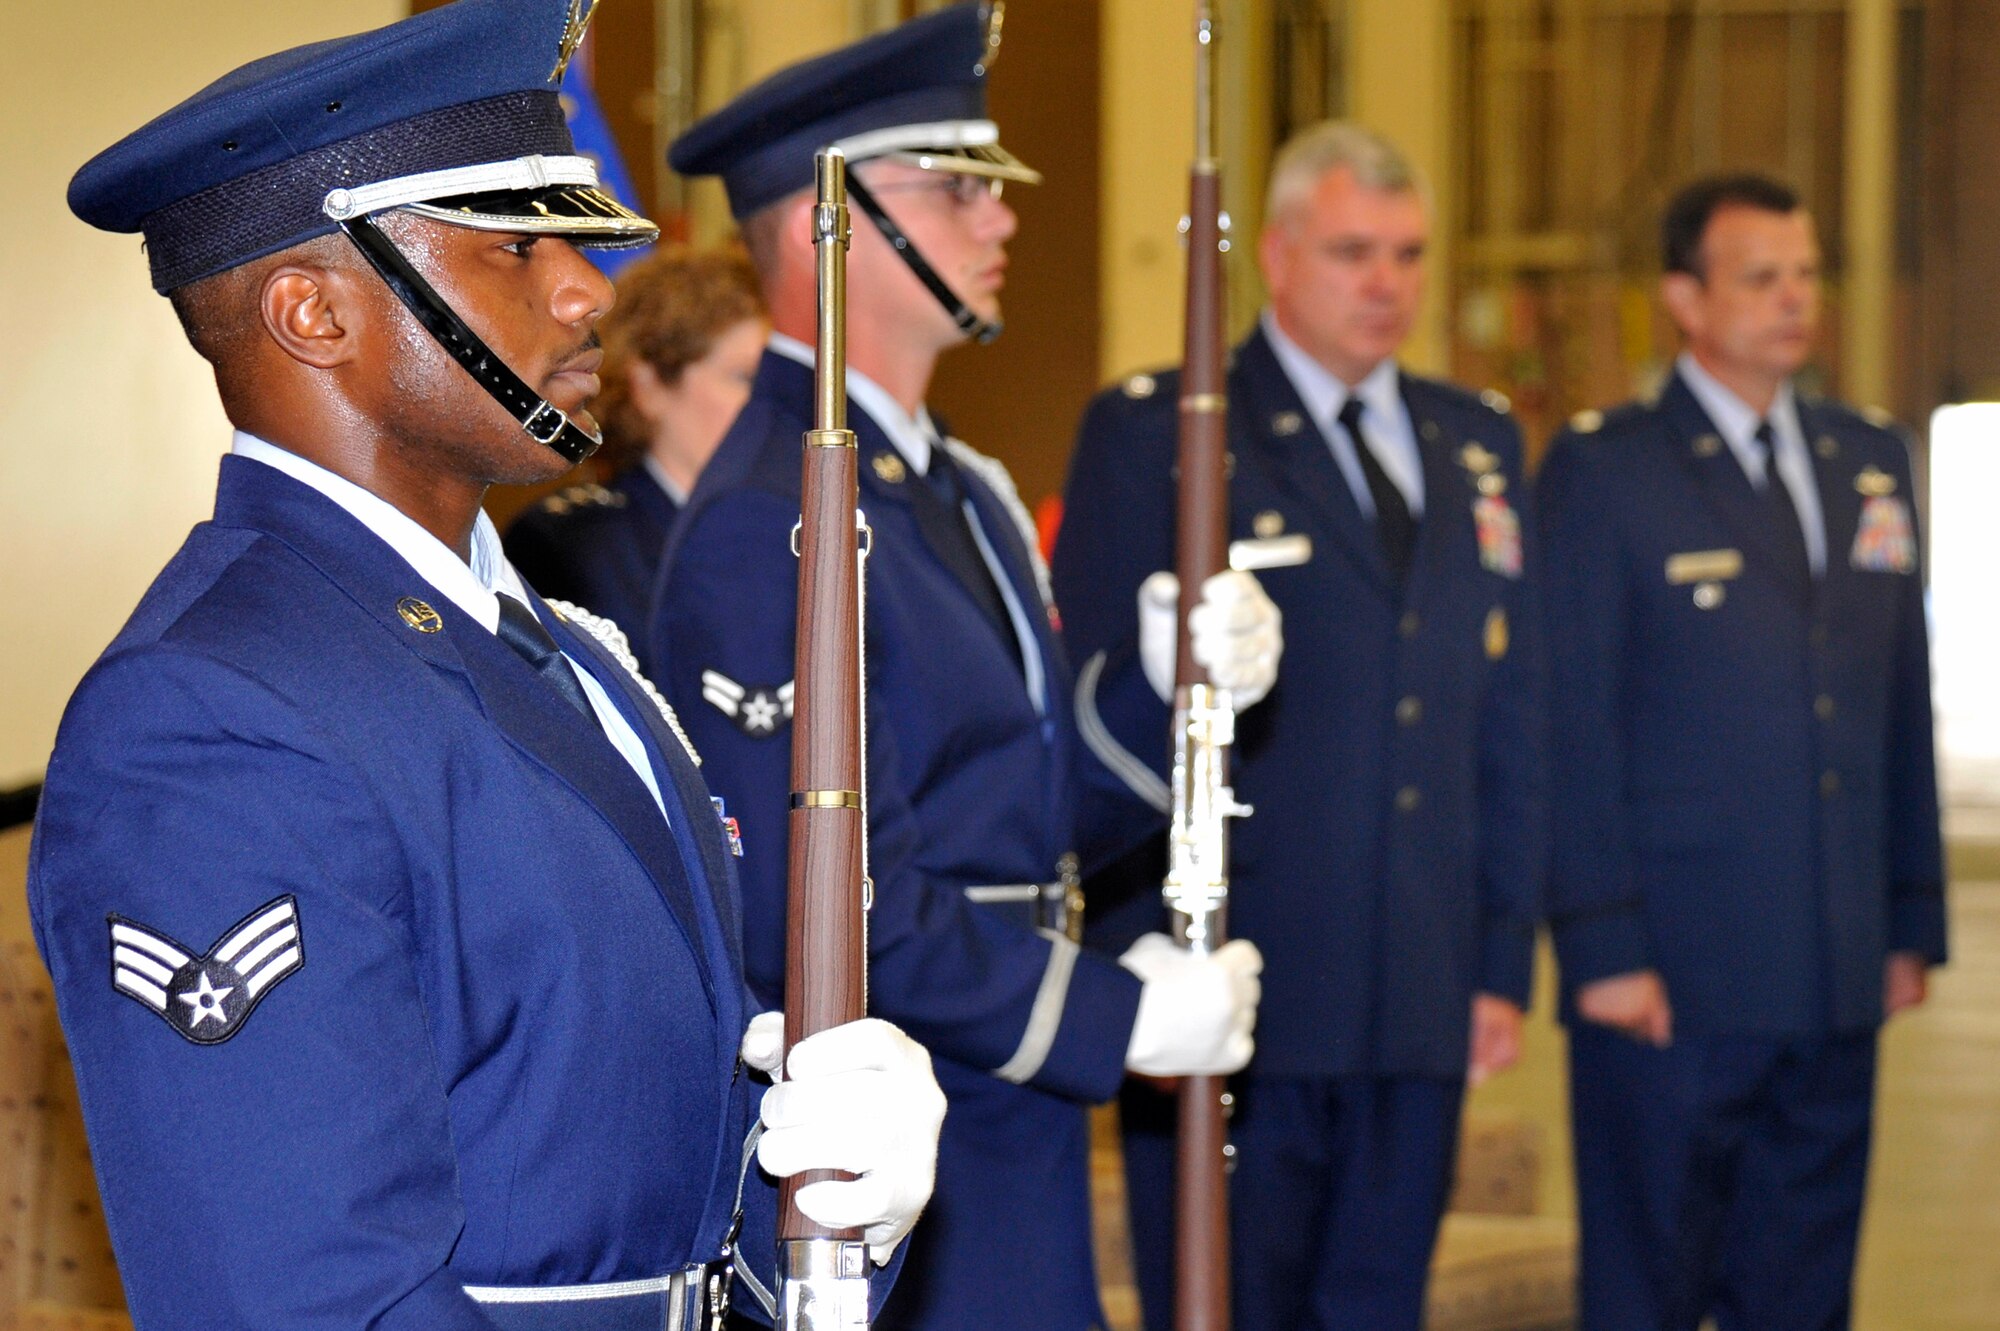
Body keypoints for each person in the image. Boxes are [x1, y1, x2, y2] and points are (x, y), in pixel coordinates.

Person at [31, 2, 946, 1327]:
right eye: (514, 245)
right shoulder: (213, 714)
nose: (589, 289)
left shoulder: (564, 648)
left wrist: (835, 1205)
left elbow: (646, 1143)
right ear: (313, 312)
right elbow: (317, 1295)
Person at [653, 6, 1280, 1328]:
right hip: (897, 1141)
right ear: (827, 224)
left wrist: (1151, 694)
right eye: (954, 190)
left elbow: (1029, 822)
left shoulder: (959, 486)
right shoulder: (771, 514)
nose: (1000, 223)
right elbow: (813, 900)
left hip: (1004, 1116)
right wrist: (1112, 1014)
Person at [1053, 121, 1547, 1331]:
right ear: (1273, 255)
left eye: (1407, 253)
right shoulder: (1165, 429)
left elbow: (1504, 719)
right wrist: (1143, 969)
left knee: (1380, 1304)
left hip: (1418, 976)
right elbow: (1107, 723)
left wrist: (1494, 962)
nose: (1385, 282)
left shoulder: (1472, 441)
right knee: (1228, 1304)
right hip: (1236, 974)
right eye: (1350, 251)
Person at [1537, 173, 1947, 1331]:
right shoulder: (1607, 468)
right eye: (1758, 277)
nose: (1790, 300)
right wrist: (1601, 943)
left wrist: (1907, 918)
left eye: (1805, 273)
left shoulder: (1861, 455)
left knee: (1803, 1289)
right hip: (1672, 976)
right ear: (1682, 296)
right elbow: (1570, 720)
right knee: (1649, 1283)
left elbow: (1893, 699)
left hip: (1830, 966)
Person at [505, 244, 767, 642]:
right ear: (649, 387)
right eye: (746, 378)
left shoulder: (793, 530)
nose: (775, 403)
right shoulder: (572, 547)